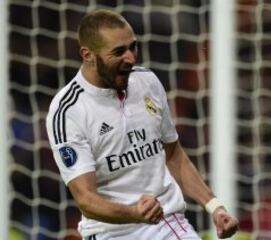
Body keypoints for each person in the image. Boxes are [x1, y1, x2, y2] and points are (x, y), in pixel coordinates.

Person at [46, 9, 239, 240]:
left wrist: (215, 206)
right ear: (87, 55)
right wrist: (135, 213)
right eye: (119, 51)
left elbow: (173, 155)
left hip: (167, 223)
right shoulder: (68, 111)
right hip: (112, 233)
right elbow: (86, 200)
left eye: (132, 47)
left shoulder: (147, 82)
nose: (130, 58)